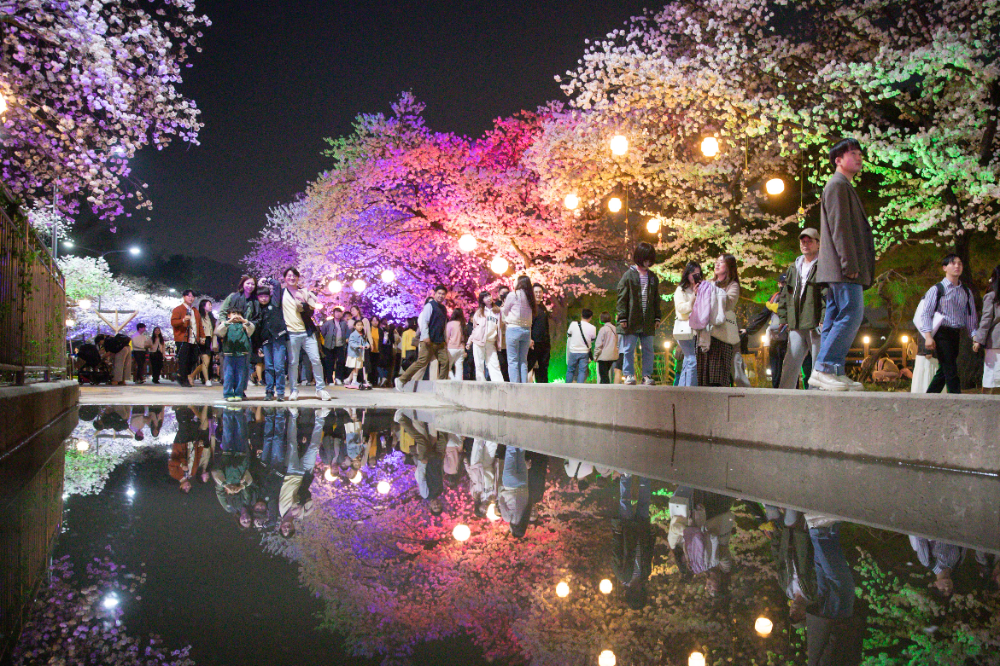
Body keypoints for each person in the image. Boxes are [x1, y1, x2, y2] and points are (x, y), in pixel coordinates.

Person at [813, 138, 876, 392]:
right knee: (851, 313)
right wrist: (850, 263)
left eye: (860, 153)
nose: (859, 157)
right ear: (838, 160)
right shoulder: (838, 185)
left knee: (836, 317)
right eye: (853, 153)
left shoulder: (841, 185)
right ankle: (825, 367)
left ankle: (832, 371)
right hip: (843, 267)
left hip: (838, 267)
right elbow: (841, 228)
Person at [917, 254, 979, 394]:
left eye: (960, 264)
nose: (957, 266)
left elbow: (970, 316)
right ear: (944, 268)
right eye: (953, 263)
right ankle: (957, 399)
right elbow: (926, 313)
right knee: (951, 369)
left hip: (956, 333)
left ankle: (928, 398)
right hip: (941, 333)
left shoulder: (966, 292)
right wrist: (928, 336)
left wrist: (974, 336)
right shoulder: (937, 289)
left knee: (944, 370)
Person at [270, 267, 331, 401]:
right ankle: (294, 390)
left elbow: (311, 312)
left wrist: (303, 304)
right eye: (289, 276)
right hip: (291, 333)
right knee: (293, 363)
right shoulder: (281, 293)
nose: (292, 278)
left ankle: (320, 389)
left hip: (307, 332)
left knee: (315, 359)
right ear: (284, 278)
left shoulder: (303, 292)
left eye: (294, 276)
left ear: (298, 278)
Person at [778, 228, 825, 390]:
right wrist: (783, 318)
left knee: (817, 363)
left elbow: (826, 293)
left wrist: (824, 318)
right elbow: (785, 293)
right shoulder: (794, 267)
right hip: (796, 323)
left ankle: (815, 396)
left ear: (818, 244)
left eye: (809, 241)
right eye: (803, 241)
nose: (805, 244)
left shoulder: (823, 265)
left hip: (815, 322)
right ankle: (784, 396)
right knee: (790, 362)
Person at [616, 242, 662, 386]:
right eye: (645, 259)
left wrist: (657, 317)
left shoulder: (653, 277)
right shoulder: (628, 275)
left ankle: (646, 375)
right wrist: (622, 316)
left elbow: (656, 298)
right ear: (639, 257)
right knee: (628, 348)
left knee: (648, 348)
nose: (647, 263)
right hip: (631, 318)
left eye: (650, 260)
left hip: (647, 319)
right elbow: (621, 296)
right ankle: (629, 374)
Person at [395, 285, 451, 390]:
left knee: (445, 362)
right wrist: (425, 336)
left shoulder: (443, 308)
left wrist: (445, 338)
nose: (441, 296)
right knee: (421, 362)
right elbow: (424, 322)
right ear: (435, 294)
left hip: (440, 341)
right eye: (439, 293)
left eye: (443, 294)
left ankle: (442, 385)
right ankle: (402, 379)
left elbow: (443, 324)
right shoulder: (430, 306)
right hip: (429, 341)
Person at [697, 255, 740, 387]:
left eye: (721, 262)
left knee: (719, 377)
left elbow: (729, 304)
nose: (717, 265)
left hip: (722, 336)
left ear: (729, 266)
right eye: (716, 262)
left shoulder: (733, 285)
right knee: (703, 376)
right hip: (705, 334)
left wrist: (712, 291)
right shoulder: (708, 282)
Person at [214, 303, 255, 401]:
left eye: (238, 314)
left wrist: (244, 321)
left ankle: (238, 393)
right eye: (233, 314)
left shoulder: (244, 326)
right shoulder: (226, 325)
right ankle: (228, 394)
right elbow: (219, 332)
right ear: (228, 315)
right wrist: (229, 321)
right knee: (229, 374)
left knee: (240, 375)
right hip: (229, 354)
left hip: (242, 354)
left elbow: (252, 329)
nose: (236, 316)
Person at [255, 284, 288, 401]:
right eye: (261, 296)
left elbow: (277, 286)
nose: (263, 298)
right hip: (266, 341)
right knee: (268, 367)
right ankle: (269, 391)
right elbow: (258, 330)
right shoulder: (258, 309)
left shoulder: (275, 304)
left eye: (266, 296)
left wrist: (267, 280)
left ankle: (280, 392)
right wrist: (259, 346)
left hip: (278, 339)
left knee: (279, 366)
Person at [502, 276, 535, 383]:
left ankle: (515, 386)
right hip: (526, 330)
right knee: (523, 361)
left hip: (513, 329)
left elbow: (505, 310)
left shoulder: (514, 295)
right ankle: (524, 386)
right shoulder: (530, 297)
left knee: (513, 360)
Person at [673, 261, 701, 387]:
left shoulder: (700, 289)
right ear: (687, 274)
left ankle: (682, 389)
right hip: (685, 328)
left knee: (688, 361)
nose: (694, 276)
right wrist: (693, 298)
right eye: (692, 274)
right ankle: (690, 390)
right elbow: (680, 308)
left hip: (697, 329)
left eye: (698, 274)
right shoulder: (681, 290)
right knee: (692, 360)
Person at [973, 264, 1000, 394]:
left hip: (996, 342)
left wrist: (978, 340)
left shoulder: (992, 296)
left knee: (992, 377)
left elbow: (986, 320)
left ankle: (986, 407)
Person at [468, 291, 505, 382]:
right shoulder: (479, 312)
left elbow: (500, 326)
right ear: (482, 300)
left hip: (491, 342)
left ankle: (499, 384)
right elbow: (475, 329)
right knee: (479, 364)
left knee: (494, 364)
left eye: (489, 295)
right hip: (479, 341)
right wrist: (469, 341)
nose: (488, 298)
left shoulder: (497, 311)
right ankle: (481, 384)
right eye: (485, 297)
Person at [170, 289, 203, 387]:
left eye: (193, 296)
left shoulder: (195, 311)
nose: (191, 298)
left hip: (193, 338)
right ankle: (183, 378)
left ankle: (180, 374)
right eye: (189, 296)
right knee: (183, 359)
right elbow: (173, 322)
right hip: (182, 338)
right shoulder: (178, 309)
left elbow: (199, 325)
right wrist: (183, 320)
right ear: (184, 297)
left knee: (193, 359)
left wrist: (202, 336)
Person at [320, 307, 350, 386]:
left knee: (340, 361)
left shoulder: (343, 323)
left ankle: (338, 378)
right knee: (329, 363)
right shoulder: (328, 323)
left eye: (340, 312)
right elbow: (323, 332)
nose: (338, 314)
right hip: (329, 346)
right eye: (336, 312)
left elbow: (346, 332)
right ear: (333, 313)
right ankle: (329, 380)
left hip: (340, 345)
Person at [528, 283, 551, 383]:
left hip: (544, 343)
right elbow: (528, 325)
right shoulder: (529, 308)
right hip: (533, 344)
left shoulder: (543, 308)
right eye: (536, 292)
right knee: (530, 367)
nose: (538, 294)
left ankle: (544, 390)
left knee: (543, 368)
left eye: (540, 292)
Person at [566, 308, 596, 383]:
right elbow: (592, 340)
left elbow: (568, 335)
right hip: (584, 352)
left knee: (570, 370)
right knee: (582, 371)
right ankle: (579, 388)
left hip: (573, 351)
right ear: (590, 317)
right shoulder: (593, 328)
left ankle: (567, 388)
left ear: (581, 315)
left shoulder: (573, 324)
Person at [192, 298, 216, 387]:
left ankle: (192, 376)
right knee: (205, 361)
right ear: (203, 306)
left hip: (209, 339)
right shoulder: (199, 316)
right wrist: (200, 338)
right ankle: (207, 380)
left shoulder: (210, 317)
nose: (211, 306)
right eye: (209, 304)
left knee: (207, 362)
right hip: (203, 339)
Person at [345, 319, 372, 389]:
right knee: (355, 367)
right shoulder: (353, 334)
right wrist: (357, 346)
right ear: (355, 326)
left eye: (361, 325)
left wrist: (367, 344)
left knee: (358, 367)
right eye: (358, 325)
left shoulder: (362, 334)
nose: (360, 327)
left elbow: (364, 341)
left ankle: (352, 380)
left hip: (359, 353)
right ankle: (353, 380)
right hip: (354, 354)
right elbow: (351, 343)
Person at [594, 311, 619, 384]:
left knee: (603, 376)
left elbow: (599, 344)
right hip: (613, 356)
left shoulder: (603, 329)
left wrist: (595, 356)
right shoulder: (615, 329)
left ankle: (607, 391)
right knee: (605, 375)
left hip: (603, 356)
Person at [445, 308, 466, 380]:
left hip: (451, 348)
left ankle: (453, 380)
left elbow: (447, 337)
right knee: (459, 367)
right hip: (461, 348)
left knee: (448, 367)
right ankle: (459, 383)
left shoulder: (450, 324)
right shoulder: (463, 324)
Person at [496, 285, 511, 381]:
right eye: (503, 295)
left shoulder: (514, 310)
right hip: (501, 341)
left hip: (511, 341)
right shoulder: (497, 310)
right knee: (501, 364)